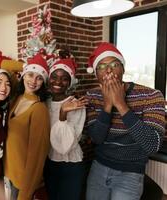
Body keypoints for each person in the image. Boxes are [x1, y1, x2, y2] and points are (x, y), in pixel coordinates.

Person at [85, 42, 165, 200]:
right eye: (101, 66)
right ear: (95, 74)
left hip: (130, 173)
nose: (108, 70)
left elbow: (152, 145)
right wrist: (108, 105)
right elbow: (96, 138)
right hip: (99, 168)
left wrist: (121, 104)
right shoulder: (92, 96)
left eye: (114, 64)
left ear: (123, 69)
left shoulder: (151, 96)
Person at [3, 53, 51, 200]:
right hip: (7, 173)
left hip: (22, 182)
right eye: (30, 75)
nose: (33, 81)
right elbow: (4, 65)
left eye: (39, 78)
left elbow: (37, 156)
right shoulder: (16, 98)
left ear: (43, 82)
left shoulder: (39, 109)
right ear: (23, 75)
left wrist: (26, 193)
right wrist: (25, 66)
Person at [43, 57, 89, 200]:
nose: (58, 82)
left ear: (69, 82)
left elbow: (65, 146)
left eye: (64, 78)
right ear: (48, 78)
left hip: (70, 164)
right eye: (54, 77)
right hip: (49, 162)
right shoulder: (45, 103)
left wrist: (63, 113)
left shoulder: (76, 104)